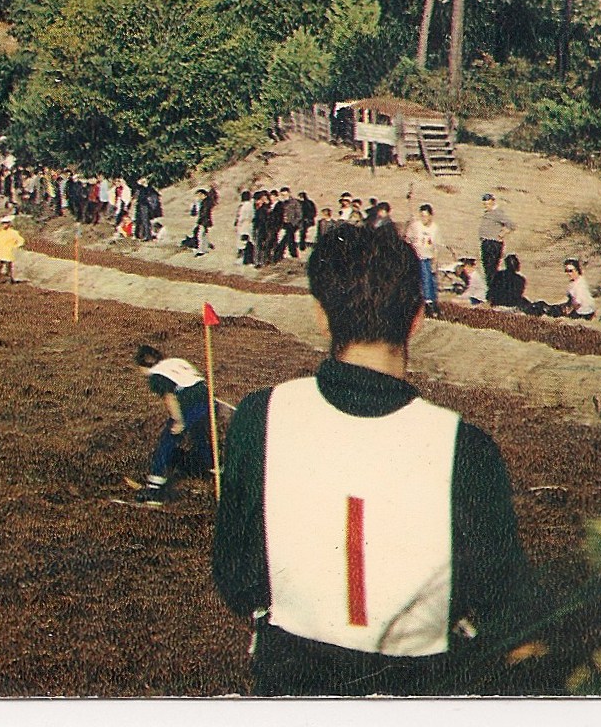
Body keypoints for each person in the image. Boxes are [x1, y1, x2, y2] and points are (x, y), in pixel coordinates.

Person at [212, 223, 536, 694]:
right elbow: (500, 601)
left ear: (321, 316)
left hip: (291, 677)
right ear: (416, 319)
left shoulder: (260, 416)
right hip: (420, 685)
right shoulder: (465, 447)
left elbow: (237, 577)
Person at [132, 344, 213, 504]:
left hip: (188, 405)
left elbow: (170, 397)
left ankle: (154, 489)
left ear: (142, 366)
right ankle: (216, 469)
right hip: (206, 398)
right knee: (199, 436)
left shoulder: (155, 375)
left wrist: (179, 421)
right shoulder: (176, 361)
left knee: (167, 441)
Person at [406, 204, 441, 313]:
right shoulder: (416, 226)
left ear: (430, 216)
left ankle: (432, 302)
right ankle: (424, 302)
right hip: (417, 256)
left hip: (427, 257)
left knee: (430, 280)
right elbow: (408, 238)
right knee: (421, 280)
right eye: (422, 216)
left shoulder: (435, 228)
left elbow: (436, 246)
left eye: (425, 216)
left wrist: (435, 261)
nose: (423, 219)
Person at [477, 194, 514, 274]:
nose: (486, 206)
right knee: (487, 268)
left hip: (493, 243)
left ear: (493, 202)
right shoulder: (488, 212)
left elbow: (511, 224)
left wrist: (502, 233)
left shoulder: (497, 212)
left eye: (488, 204)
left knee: (491, 268)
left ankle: (492, 284)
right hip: (487, 242)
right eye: (485, 204)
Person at [0, 214, 26, 282]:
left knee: (8, 268)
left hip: (7, 253)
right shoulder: (0, 231)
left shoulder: (13, 233)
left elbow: (21, 241)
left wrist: (15, 246)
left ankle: (9, 280)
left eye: (6, 223)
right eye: (3, 224)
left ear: (9, 224)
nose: (4, 225)